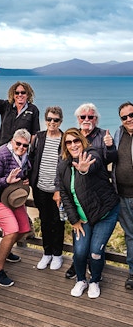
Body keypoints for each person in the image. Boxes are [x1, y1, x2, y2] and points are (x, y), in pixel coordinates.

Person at [57, 127, 119, 298]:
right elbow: (65, 195)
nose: (73, 144)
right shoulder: (63, 165)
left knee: (95, 252)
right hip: (83, 218)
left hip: (104, 214)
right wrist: (74, 220)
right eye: (68, 142)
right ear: (65, 145)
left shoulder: (92, 154)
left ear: (82, 141)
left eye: (76, 140)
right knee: (79, 251)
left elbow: (94, 164)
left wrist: (83, 169)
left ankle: (95, 281)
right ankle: (81, 280)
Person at [64, 102, 117, 279]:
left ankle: (94, 273)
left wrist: (109, 147)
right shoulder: (70, 138)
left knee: (95, 247)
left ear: (96, 119)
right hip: (81, 203)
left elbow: (106, 160)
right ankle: (78, 265)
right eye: (83, 117)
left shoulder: (102, 137)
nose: (87, 120)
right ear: (78, 119)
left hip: (98, 197)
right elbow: (63, 172)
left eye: (90, 117)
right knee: (80, 246)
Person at [0, 129, 33, 287]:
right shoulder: (0, 154)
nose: (21, 147)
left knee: (25, 229)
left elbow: (26, 170)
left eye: (25, 145)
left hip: (13, 198)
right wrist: (7, 180)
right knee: (12, 231)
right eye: (18, 143)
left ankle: (4, 251)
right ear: (12, 141)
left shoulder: (25, 155)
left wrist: (25, 179)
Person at [29, 106, 65, 270]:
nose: (52, 122)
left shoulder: (65, 139)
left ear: (60, 121)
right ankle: (47, 253)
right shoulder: (39, 137)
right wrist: (26, 178)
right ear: (45, 120)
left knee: (58, 223)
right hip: (40, 188)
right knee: (44, 221)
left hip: (58, 190)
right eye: (49, 119)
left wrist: (60, 189)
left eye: (55, 120)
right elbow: (30, 159)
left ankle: (58, 255)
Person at [0, 61, 40, 148]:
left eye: (23, 92)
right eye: (17, 93)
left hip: (20, 151)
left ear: (28, 94)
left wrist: (31, 153)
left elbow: (34, 134)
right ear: (13, 95)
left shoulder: (33, 109)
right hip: (2, 149)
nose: (20, 95)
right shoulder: (6, 106)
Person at [113, 102, 133, 290]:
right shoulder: (119, 133)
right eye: (124, 117)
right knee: (130, 235)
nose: (129, 119)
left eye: (131, 115)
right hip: (123, 195)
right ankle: (132, 273)